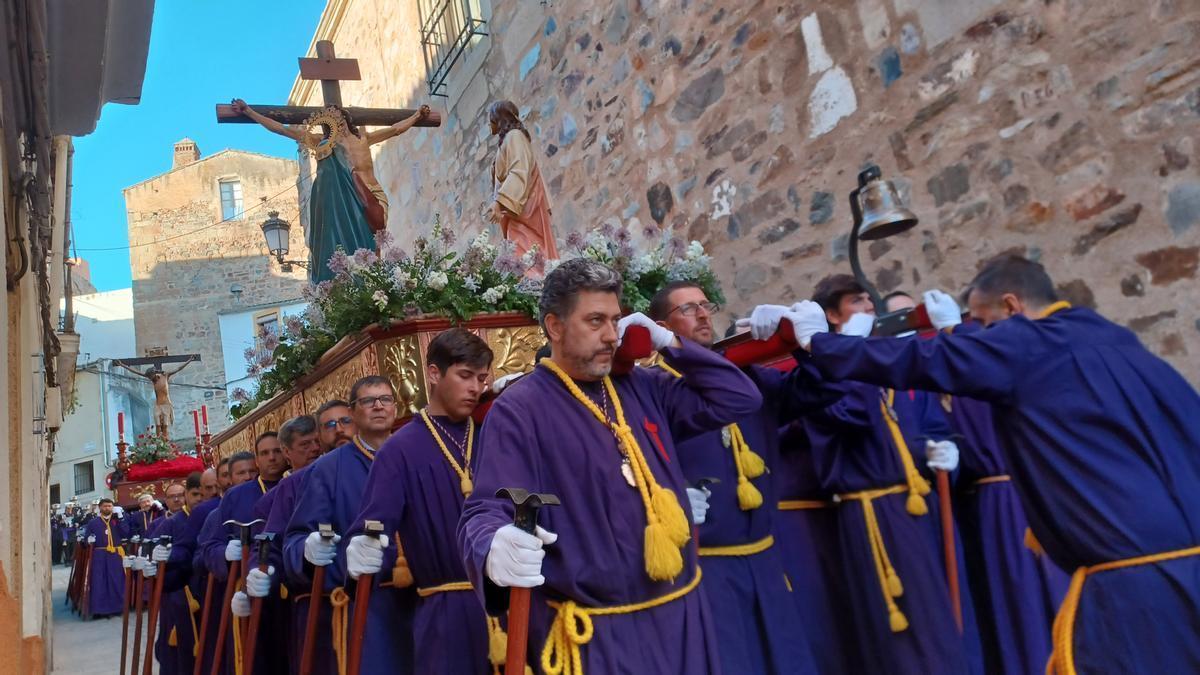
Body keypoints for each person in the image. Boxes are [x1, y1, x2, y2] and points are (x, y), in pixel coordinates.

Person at [794, 254, 1200, 674]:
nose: (981, 337)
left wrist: (821, 343)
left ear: (1012, 307)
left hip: (1135, 585)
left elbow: (920, 360)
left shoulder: (1024, 342)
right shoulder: (1116, 339)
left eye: (984, 325)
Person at [458, 258, 762, 673]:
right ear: (555, 326)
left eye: (616, 320)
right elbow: (486, 510)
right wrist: (493, 546)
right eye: (595, 320)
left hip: (681, 618)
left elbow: (739, 398)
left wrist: (670, 343)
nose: (610, 336)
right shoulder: (519, 409)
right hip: (598, 640)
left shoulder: (644, 385)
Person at [741, 274, 972, 675]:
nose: (867, 308)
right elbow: (853, 415)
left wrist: (937, 447)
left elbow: (928, 418)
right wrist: (847, 352)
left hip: (921, 506)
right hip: (872, 513)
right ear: (831, 315)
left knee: (943, 616)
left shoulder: (885, 362)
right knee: (901, 630)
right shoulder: (835, 377)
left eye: (869, 300)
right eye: (854, 302)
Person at [648, 280, 833, 675]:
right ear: (660, 326)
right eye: (688, 308)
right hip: (705, 564)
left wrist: (807, 344)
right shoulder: (654, 389)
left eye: (705, 305)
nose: (702, 314)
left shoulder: (747, 374)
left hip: (765, 556)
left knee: (787, 661)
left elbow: (818, 392)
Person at [346, 329, 497, 673]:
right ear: (433, 373)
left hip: (508, 605)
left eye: (482, 377)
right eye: (464, 376)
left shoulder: (494, 431)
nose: (475, 387)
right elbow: (372, 528)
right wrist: (361, 547)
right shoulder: (400, 450)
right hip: (445, 615)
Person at [283, 377, 416, 675]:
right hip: (369, 607)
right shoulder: (327, 469)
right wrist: (308, 551)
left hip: (423, 602)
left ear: (396, 408)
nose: (379, 406)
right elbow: (295, 539)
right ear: (354, 413)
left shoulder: (415, 451)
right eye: (369, 401)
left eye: (385, 399)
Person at [230, 98, 430, 282]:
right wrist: (249, 112)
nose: (337, 119)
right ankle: (362, 280)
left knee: (377, 235)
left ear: (345, 118)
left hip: (373, 190)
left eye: (339, 115)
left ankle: (375, 279)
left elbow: (395, 130)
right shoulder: (323, 142)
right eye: (332, 116)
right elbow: (282, 130)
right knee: (359, 241)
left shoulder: (363, 138)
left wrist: (416, 116)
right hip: (347, 198)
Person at [242, 414, 325, 675]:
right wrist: (255, 575)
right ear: (289, 452)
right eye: (305, 444)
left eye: (316, 442)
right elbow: (267, 546)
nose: (314, 449)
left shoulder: (333, 473)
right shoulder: (272, 498)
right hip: (295, 596)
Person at [194, 450, 260, 674]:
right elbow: (200, 558)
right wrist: (223, 553)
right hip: (232, 593)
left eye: (252, 471)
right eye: (241, 473)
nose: (248, 477)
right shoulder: (215, 513)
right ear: (229, 478)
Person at [148, 472, 207, 675]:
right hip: (179, 594)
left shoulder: (211, 515)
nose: (199, 499)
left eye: (203, 493)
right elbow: (153, 553)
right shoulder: (172, 522)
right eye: (194, 494)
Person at [487, 100, 558, 263]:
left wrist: (499, 202)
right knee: (522, 255)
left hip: (524, 208)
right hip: (515, 209)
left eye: (491, 119)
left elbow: (519, 170)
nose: (489, 124)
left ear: (499, 118)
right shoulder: (508, 141)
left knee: (525, 254)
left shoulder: (514, 137)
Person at [82, 497, 128, 618]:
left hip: (115, 555)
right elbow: (86, 539)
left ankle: (118, 607)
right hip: (100, 555)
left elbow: (126, 533)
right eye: (104, 506)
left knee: (116, 580)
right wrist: (88, 540)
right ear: (100, 508)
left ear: (113, 507)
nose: (107, 508)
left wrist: (121, 519)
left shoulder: (118, 520)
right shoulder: (93, 522)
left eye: (109, 506)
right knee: (99, 581)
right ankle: (99, 610)